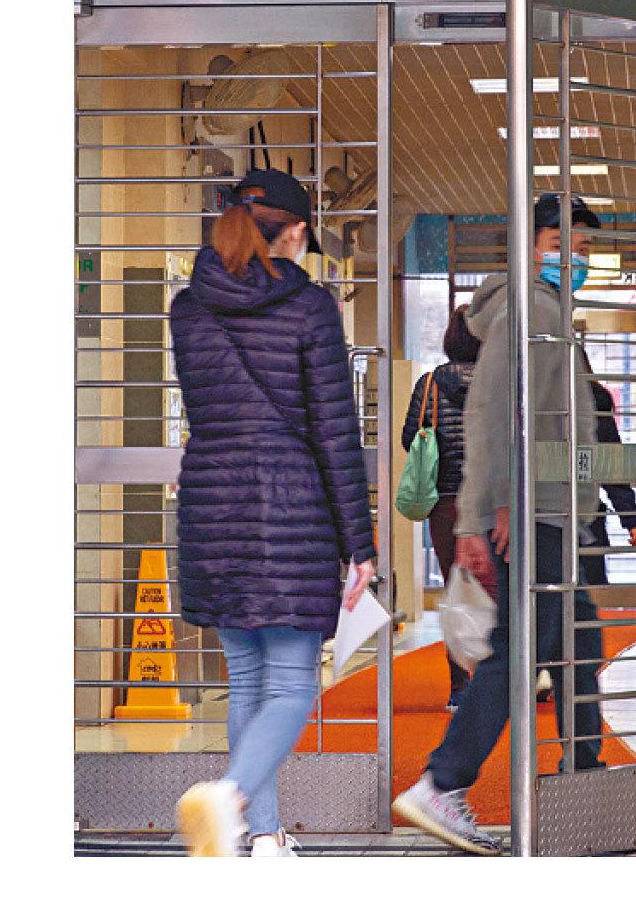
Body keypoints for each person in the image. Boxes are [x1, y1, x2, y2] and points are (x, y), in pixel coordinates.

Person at [168, 169, 377, 858]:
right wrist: (359, 543)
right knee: (291, 684)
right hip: (291, 507)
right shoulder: (309, 307)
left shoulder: (188, 308)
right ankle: (230, 798)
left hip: (212, 505)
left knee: (248, 682)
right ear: (294, 232)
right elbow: (334, 432)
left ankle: (261, 839)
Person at [392, 193, 606, 855]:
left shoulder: (546, 311)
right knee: (519, 655)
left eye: (584, 247)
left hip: (552, 509)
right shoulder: (529, 311)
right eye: (563, 243)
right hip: (533, 513)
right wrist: (487, 513)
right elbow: (493, 415)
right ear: (530, 244)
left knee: (577, 641)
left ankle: (584, 776)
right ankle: (442, 782)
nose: (577, 257)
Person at [400, 305, 480, 711]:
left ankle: (459, 686)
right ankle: (498, 677)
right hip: (492, 501)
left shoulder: (429, 383)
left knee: (454, 590)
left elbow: (409, 437)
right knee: (499, 587)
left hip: (445, 502)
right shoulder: (503, 380)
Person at [581, 367, 636, 588]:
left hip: (549, 518)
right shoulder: (596, 405)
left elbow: (611, 468)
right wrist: (632, 521)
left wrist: (632, 520)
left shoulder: (537, 406)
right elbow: (613, 471)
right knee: (592, 589)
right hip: (588, 516)